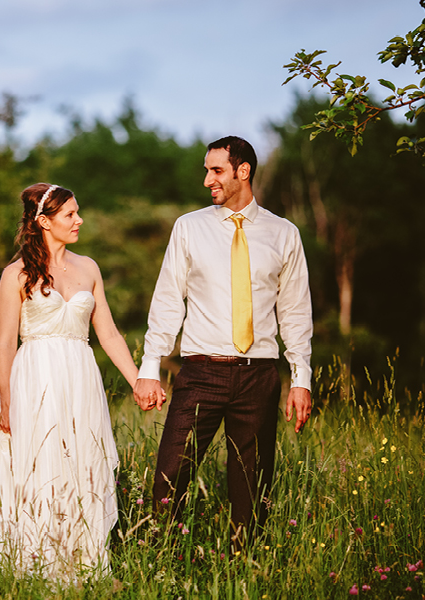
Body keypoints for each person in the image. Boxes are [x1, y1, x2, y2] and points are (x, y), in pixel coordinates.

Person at [133, 136, 313, 547]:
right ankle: (161, 563)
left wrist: (301, 378)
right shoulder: (189, 228)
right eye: (206, 170)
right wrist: (150, 369)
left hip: (259, 377)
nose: (207, 180)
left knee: (251, 489)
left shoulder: (284, 234)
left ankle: (244, 570)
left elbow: (296, 313)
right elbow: (166, 302)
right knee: (170, 476)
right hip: (200, 373)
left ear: (242, 171)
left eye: (215, 170)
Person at [0, 182, 140, 579]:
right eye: (70, 214)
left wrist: (139, 382)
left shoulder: (89, 268)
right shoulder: (15, 274)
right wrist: (10, 403)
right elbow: (4, 343)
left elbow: (110, 334)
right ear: (44, 222)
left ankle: (80, 562)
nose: (79, 219)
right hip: (36, 378)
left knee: (82, 463)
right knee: (38, 465)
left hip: (81, 378)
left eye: (77, 211)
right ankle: (33, 563)